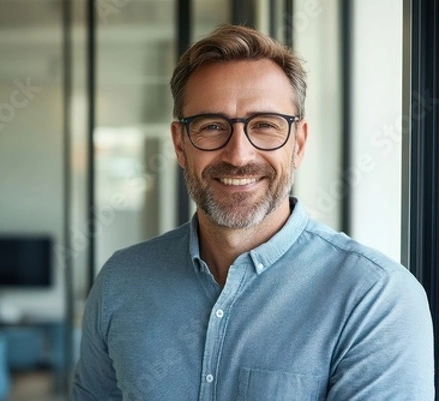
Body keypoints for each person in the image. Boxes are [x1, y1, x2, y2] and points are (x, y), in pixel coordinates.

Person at [72, 24, 434, 400]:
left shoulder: (376, 299)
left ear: (299, 143)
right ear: (180, 145)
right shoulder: (122, 282)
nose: (239, 155)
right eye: (212, 127)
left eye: (264, 126)